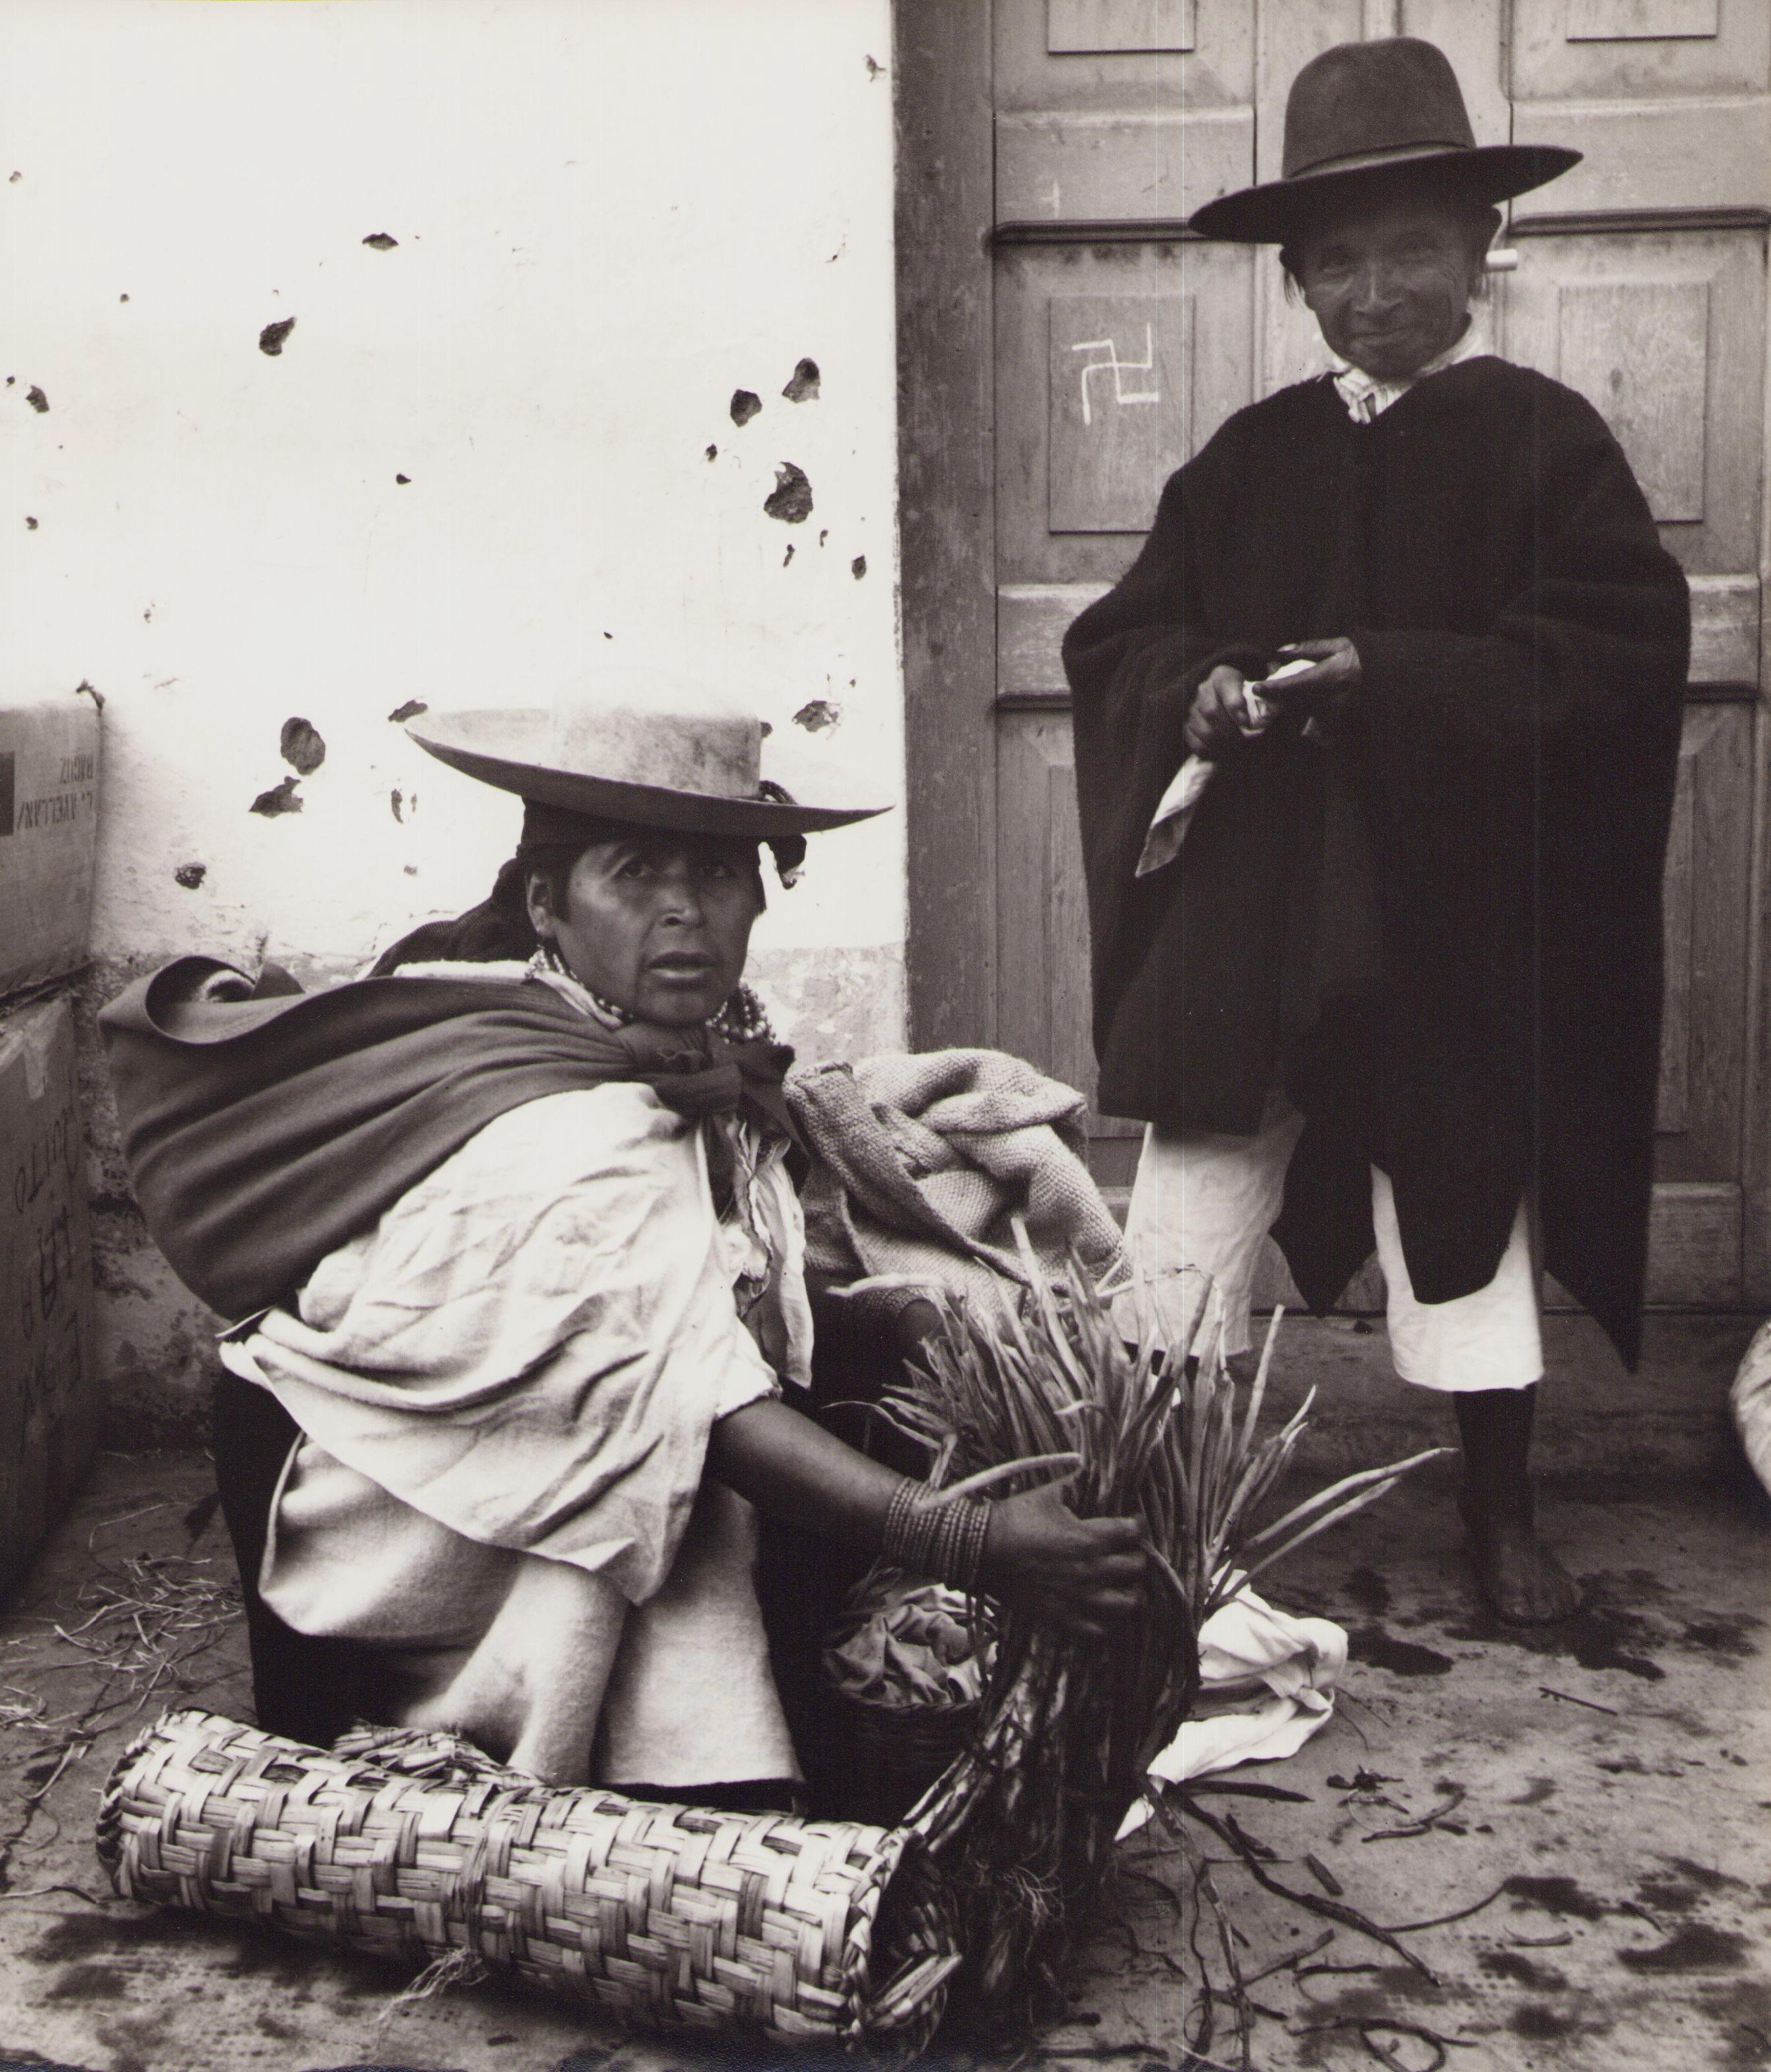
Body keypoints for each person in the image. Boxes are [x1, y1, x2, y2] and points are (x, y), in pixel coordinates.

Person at [103, 674, 1145, 1804]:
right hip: (384, 1510)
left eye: (713, 875)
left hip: (497, 1435)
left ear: (757, 900)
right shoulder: (570, 1126)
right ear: (547, 904)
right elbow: (709, 1409)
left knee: (880, 1352)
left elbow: (703, 1299)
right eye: (633, 873)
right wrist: (976, 1546)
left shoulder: (635, 1037)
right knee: (761, 1586)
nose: (683, 910)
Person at [1064, 37, 1689, 1624]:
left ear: (1484, 250)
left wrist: (1389, 679)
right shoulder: (1243, 463)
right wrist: (1195, 691)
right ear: (1292, 281)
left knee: (1462, 1190)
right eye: (1334, 261)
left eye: (1412, 247)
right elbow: (1121, 646)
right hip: (1252, 903)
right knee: (1193, 1184)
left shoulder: (1544, 442)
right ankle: (1143, 1513)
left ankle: (1497, 1516)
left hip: (1445, 907)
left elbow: (1612, 653)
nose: (1375, 288)